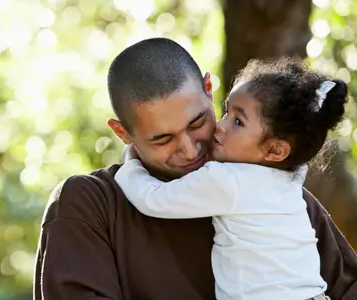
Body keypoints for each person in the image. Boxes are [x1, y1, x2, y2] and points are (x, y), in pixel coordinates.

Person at [33, 38, 357, 300]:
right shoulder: (89, 205)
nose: (190, 150)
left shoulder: (280, 198)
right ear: (123, 133)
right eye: (163, 139)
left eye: (198, 122)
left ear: (209, 89)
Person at [114, 58, 346, 300]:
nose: (221, 126)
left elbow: (153, 199)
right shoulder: (290, 179)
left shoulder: (226, 180)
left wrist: (131, 163)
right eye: (226, 112)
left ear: (275, 151)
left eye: (238, 122)